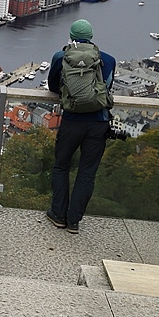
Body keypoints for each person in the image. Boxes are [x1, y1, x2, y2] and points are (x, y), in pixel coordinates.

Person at [46, 19, 116, 234]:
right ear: (91, 37)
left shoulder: (61, 57)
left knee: (61, 166)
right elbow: (107, 87)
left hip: (72, 120)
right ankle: (74, 221)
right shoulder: (108, 60)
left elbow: (52, 86)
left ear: (71, 36)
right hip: (98, 122)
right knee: (87, 173)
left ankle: (58, 214)